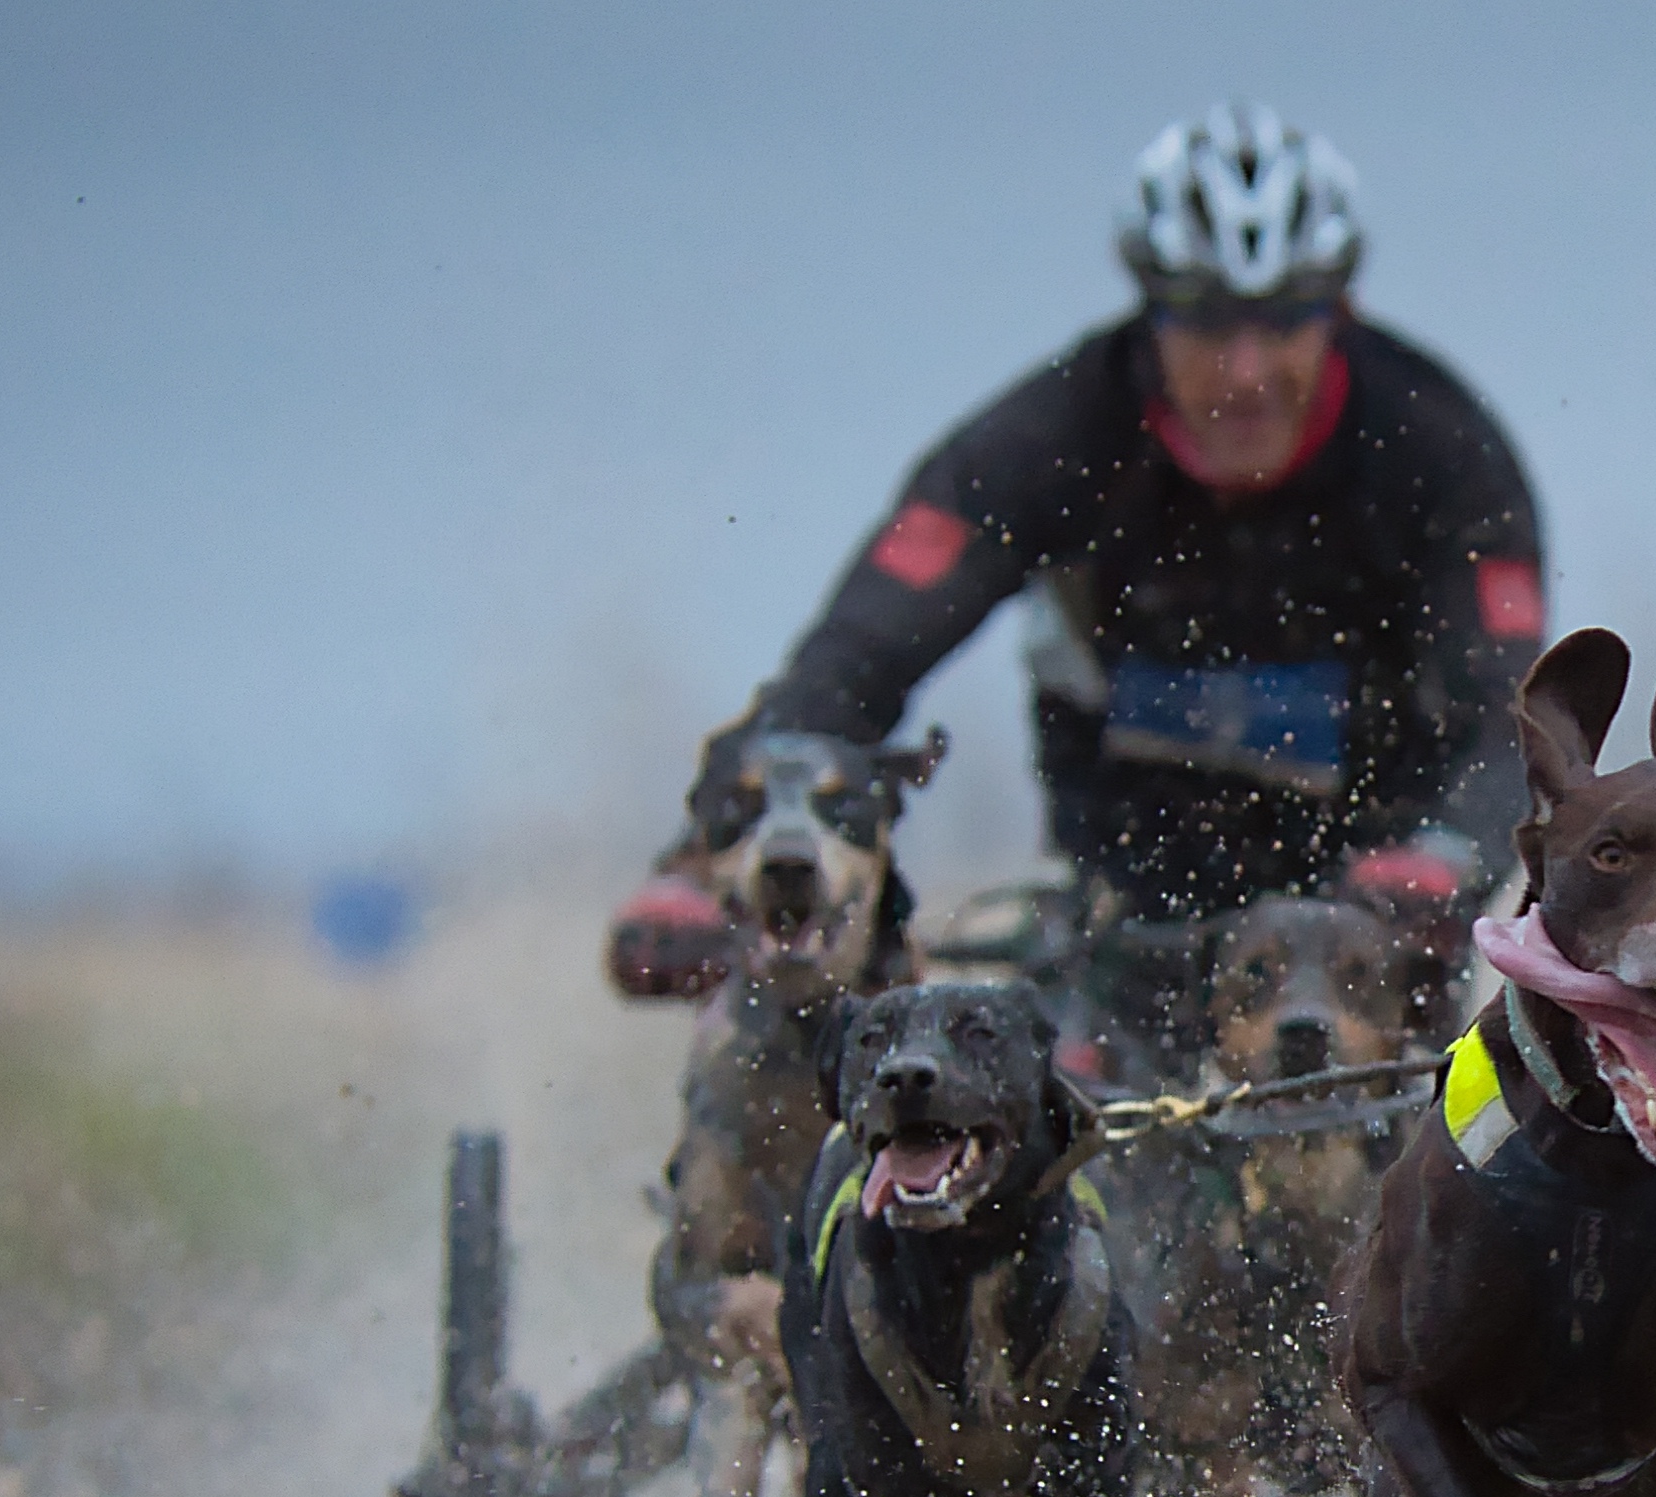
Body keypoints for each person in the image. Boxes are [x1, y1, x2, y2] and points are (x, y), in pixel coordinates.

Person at [611, 103, 1546, 1073]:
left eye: (1282, 323)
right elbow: (858, 657)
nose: (1246, 370)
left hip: (1369, 919)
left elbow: (1511, 717)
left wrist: (1445, 851)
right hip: (1126, 906)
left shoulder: (1443, 455)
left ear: (1338, 312)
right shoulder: (1048, 440)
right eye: (1205, 323)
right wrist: (692, 857)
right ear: (1149, 311)